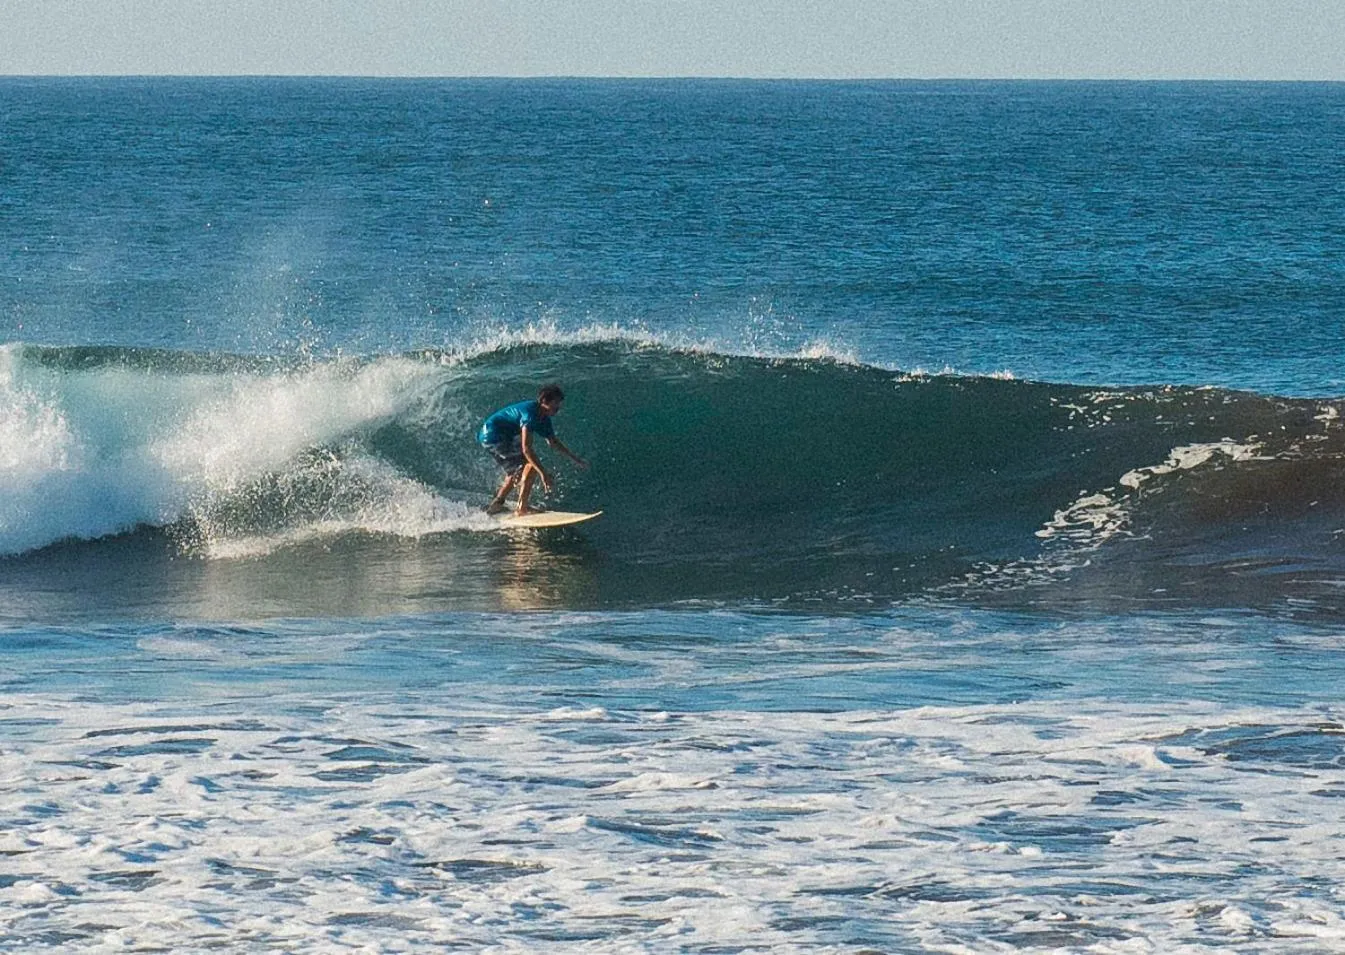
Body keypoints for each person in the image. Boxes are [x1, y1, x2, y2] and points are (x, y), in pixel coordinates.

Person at [479, 383, 588, 515]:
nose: (558, 407)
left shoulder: (544, 419)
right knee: (530, 466)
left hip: (505, 436)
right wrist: (543, 473)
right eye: (555, 403)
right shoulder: (530, 414)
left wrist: (575, 459)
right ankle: (522, 508)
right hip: (493, 435)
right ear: (544, 401)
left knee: (517, 470)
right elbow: (526, 449)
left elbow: (553, 442)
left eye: (559, 403)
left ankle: (497, 504)